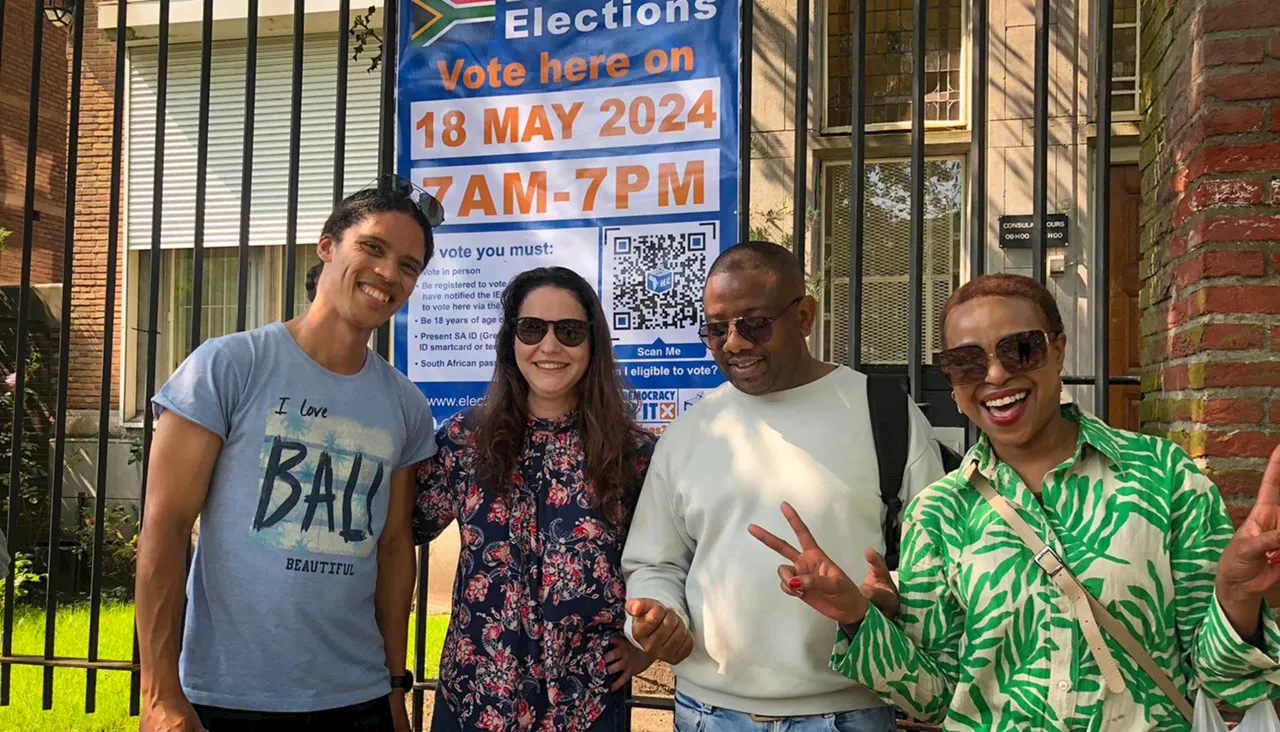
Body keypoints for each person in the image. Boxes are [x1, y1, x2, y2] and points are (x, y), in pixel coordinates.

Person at [751, 272, 1280, 731]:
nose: (996, 376)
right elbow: (935, 696)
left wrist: (1237, 598)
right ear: (952, 381)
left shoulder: (1163, 480)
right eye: (965, 362)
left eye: (1019, 349)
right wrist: (855, 619)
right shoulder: (940, 513)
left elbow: (1229, 688)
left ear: (1058, 349)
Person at [136, 176, 442, 732]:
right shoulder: (227, 367)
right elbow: (165, 525)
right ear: (327, 246)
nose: (387, 274)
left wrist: (395, 687)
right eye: (372, 247)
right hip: (226, 697)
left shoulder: (406, 406)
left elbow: (396, 549)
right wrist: (159, 694)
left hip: (356, 699)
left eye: (408, 265)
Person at [621, 241, 945, 731]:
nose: (733, 342)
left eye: (754, 323)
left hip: (849, 711)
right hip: (709, 714)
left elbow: (936, 566)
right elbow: (656, 562)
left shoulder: (886, 415)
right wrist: (660, 616)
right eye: (716, 329)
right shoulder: (691, 432)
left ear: (805, 316)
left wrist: (886, 600)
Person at [413, 267, 657, 732]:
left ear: (593, 344)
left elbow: (671, 563)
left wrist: (645, 647)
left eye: (568, 331)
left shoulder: (634, 455)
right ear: (510, 341)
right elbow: (402, 529)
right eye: (531, 329)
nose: (549, 346)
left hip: (586, 704)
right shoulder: (466, 442)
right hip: (476, 698)